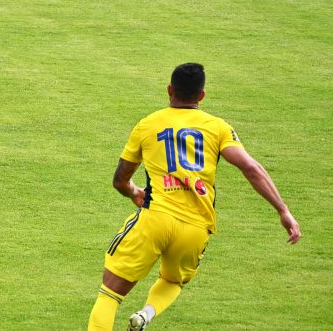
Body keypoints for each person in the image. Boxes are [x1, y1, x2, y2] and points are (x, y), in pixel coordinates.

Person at [87, 63, 301, 330]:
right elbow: (251, 167)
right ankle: (146, 315)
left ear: (169, 90)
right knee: (173, 281)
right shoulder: (218, 128)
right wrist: (283, 210)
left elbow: (120, 179)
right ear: (202, 95)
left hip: (155, 218)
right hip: (197, 227)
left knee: (110, 294)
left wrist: (134, 193)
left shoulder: (148, 124)